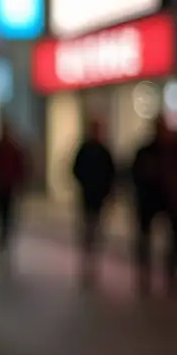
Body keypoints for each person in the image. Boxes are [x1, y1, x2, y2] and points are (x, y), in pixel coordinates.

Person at [130, 115, 177, 295]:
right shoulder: (146, 151)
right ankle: (145, 275)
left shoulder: (172, 150)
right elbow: (136, 174)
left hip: (169, 201)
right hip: (149, 200)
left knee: (171, 241)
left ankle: (169, 276)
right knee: (144, 238)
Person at [71, 118, 116, 288]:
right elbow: (75, 169)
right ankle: (88, 257)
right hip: (87, 195)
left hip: (99, 196)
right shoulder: (85, 149)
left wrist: (108, 191)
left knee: (96, 227)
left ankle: (93, 257)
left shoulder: (104, 151)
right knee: (88, 227)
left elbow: (111, 173)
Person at [0, 119, 27, 272]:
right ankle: (1, 242)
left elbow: (21, 167)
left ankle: (5, 241)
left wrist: (19, 183)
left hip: (10, 188)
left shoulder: (13, 149)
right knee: (0, 216)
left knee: (8, 218)